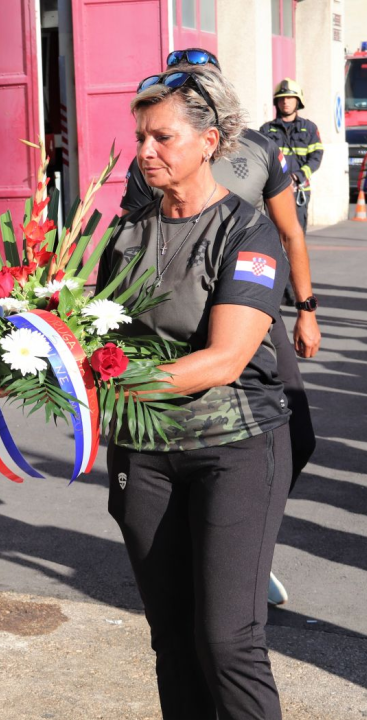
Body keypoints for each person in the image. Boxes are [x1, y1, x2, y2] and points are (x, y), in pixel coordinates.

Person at [100, 63, 292, 719]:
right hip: (144, 455)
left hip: (232, 450)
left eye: (162, 138)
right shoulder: (126, 234)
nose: (145, 152)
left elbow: (225, 358)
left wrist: (117, 381)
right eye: (140, 138)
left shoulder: (246, 232)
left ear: (210, 140)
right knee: (173, 639)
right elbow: (94, 333)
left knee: (227, 640)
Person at [121, 48, 318, 607]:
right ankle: (217, 536)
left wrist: (306, 306)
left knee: (296, 432)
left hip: (249, 300)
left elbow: (290, 232)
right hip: (182, 305)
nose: (148, 148)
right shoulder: (151, 160)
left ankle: (251, 539)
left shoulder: (262, 148)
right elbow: (138, 235)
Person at [261, 78, 323, 232]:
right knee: (274, 236)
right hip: (274, 191)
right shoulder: (266, 130)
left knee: (297, 235)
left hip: (299, 190)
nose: (285, 102)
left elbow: (316, 157)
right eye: (281, 98)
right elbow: (261, 160)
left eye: (290, 98)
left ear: (298, 101)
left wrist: (299, 176)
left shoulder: (309, 128)